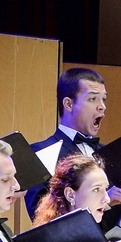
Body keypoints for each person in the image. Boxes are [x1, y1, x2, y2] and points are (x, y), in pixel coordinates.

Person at [23, 67, 107, 219]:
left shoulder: (108, 152)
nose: (102, 106)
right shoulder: (40, 152)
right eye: (92, 99)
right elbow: (39, 214)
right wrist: (105, 202)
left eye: (104, 99)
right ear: (68, 104)